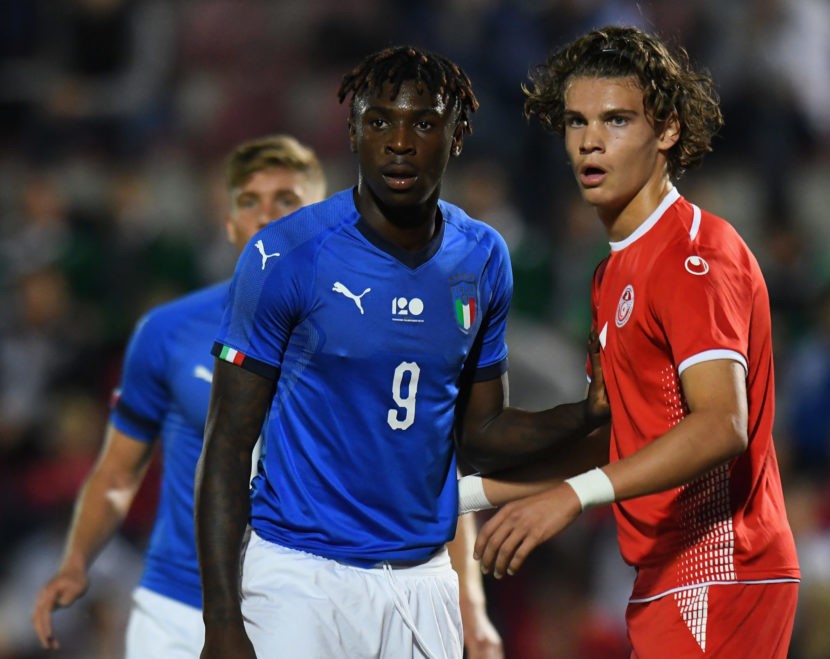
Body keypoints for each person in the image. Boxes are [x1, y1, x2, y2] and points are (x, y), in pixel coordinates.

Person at [194, 46, 607, 659]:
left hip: (424, 585)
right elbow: (226, 444)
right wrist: (223, 621)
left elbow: (481, 434)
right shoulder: (285, 256)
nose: (399, 142)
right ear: (353, 130)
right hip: (298, 581)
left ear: (457, 133)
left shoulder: (483, 257)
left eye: (423, 122)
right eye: (380, 121)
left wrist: (585, 413)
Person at [30, 134, 503, 658]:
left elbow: (423, 471)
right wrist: (75, 562)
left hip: (303, 596)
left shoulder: (367, 333)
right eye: (250, 202)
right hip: (181, 604)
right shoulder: (166, 332)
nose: (267, 216)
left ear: (320, 214)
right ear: (229, 222)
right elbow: (119, 471)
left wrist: (471, 603)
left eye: (286, 201)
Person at [467, 26, 800, 657]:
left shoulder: (694, 255)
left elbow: (722, 424)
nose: (590, 141)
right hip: (665, 576)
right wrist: (462, 497)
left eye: (616, 120)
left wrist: (573, 497)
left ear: (667, 130)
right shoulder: (611, 272)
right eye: (576, 122)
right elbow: (620, 441)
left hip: (720, 567)